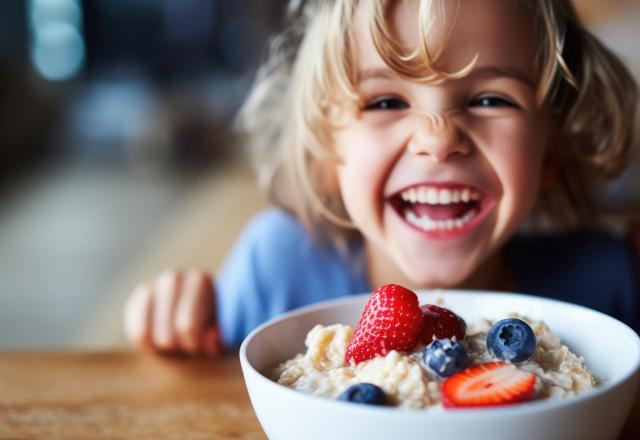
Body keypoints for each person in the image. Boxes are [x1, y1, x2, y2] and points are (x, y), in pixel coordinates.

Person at [123, 0, 639, 356]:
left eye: (490, 99)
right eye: (386, 101)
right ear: (327, 150)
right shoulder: (275, 270)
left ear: (552, 146)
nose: (438, 139)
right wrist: (176, 323)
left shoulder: (604, 284)